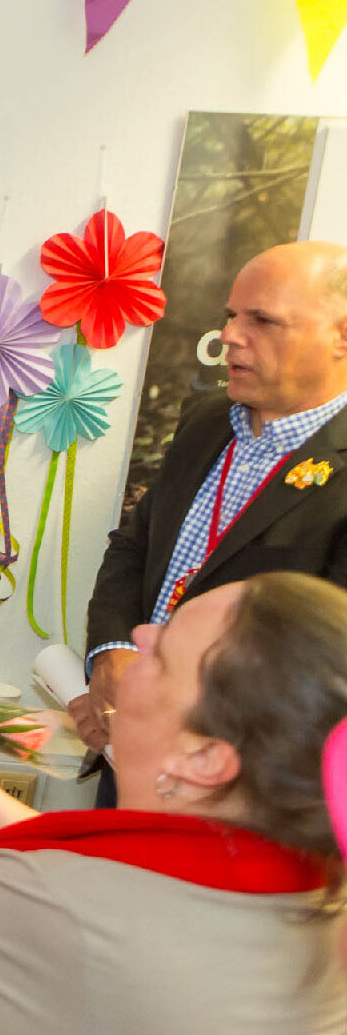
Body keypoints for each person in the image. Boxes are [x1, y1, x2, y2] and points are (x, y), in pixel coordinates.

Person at [0, 571, 347, 1034]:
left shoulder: (60, 905)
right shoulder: (315, 882)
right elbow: (108, 879)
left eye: (164, 654)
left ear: (202, 758)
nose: (141, 633)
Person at [73, 240, 347, 759]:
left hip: (247, 771)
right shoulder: (206, 420)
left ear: (341, 335)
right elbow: (135, 545)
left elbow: (332, 658)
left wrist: (173, 707)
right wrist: (113, 653)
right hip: (126, 746)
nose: (230, 335)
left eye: (262, 320)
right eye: (231, 316)